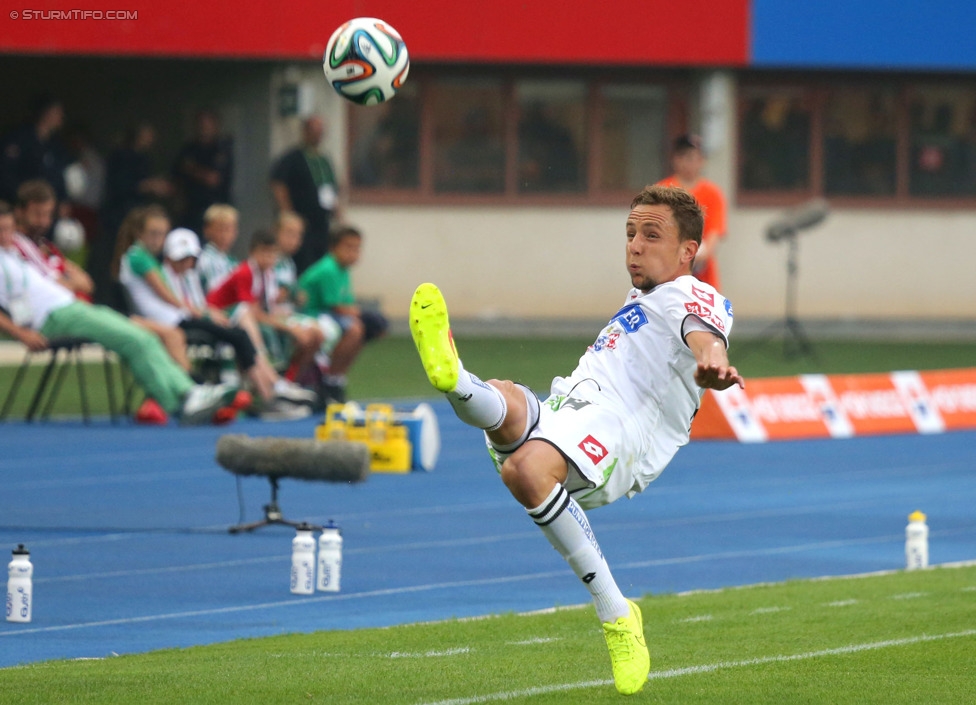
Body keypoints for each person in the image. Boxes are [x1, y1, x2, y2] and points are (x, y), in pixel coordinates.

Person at [408, 185, 744, 695]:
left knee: (522, 468)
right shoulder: (646, 294)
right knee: (505, 401)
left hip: (622, 434)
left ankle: (616, 613)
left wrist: (713, 363)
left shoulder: (693, 294)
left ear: (687, 252)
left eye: (651, 235)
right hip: (574, 408)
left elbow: (706, 337)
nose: (634, 245)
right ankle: (453, 379)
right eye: (630, 233)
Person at [0, 201, 241, 426]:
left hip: (71, 307)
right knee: (135, 338)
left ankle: (185, 398)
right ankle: (187, 395)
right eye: (2, 230)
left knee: (141, 338)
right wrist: (20, 333)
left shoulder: (14, 250)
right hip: (54, 316)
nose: (8, 236)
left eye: (10, 229)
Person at [206, 229, 340, 397]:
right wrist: (289, 327)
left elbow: (269, 308)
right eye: (264, 254)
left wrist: (294, 320)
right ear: (252, 253)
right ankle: (276, 382)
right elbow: (252, 312)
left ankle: (289, 381)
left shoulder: (268, 274)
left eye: (272, 254)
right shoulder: (245, 272)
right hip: (225, 315)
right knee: (299, 335)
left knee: (316, 333)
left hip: (250, 316)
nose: (269, 259)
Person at [298, 225, 388, 403]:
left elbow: (346, 305)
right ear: (333, 247)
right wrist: (362, 314)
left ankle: (336, 378)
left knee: (364, 329)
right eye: (348, 247)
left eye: (357, 248)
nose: (353, 253)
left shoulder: (343, 269)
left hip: (327, 315)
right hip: (311, 315)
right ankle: (328, 380)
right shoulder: (328, 268)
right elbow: (336, 306)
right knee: (355, 330)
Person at [270, 116, 341, 274]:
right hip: (301, 221)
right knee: (303, 262)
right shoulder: (293, 157)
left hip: (322, 223)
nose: (317, 135)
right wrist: (286, 212)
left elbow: (331, 187)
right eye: (314, 131)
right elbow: (278, 182)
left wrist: (338, 211)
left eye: (320, 132)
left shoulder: (324, 159)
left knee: (321, 260)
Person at [656, 135, 728, 291]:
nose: (690, 163)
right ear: (675, 159)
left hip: (702, 272)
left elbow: (713, 235)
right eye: (685, 157)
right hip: (668, 270)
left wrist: (695, 256)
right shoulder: (663, 190)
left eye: (695, 157)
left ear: (702, 160)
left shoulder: (712, 193)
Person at [12, 179, 94, 300]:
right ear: (19, 212)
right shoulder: (16, 247)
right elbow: (47, 287)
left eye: (47, 214)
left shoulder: (47, 247)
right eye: (37, 214)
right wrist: (71, 283)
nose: (44, 222)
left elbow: (87, 284)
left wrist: (68, 283)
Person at [171, 110, 233, 237]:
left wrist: (191, 169)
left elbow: (213, 179)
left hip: (214, 209)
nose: (205, 128)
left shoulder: (222, 148)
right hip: (190, 209)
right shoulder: (189, 148)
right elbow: (176, 178)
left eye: (208, 124)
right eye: (201, 124)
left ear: (216, 125)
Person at [196, 203, 240, 292]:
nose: (225, 235)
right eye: (220, 229)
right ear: (207, 230)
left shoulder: (233, 261)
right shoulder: (204, 259)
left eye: (229, 229)